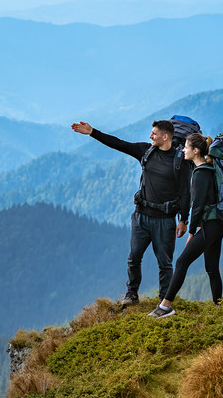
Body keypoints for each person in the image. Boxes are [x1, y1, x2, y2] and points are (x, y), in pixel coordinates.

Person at [71, 120, 190, 305]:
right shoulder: (146, 151)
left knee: (164, 263)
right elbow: (119, 144)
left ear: (165, 137)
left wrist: (183, 219)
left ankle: (164, 301)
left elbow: (185, 192)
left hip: (165, 220)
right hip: (141, 216)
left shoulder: (179, 161)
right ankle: (131, 294)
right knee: (134, 257)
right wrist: (92, 132)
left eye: (154, 134)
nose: (150, 136)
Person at [148, 132, 223, 318]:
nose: (183, 150)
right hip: (217, 223)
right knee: (212, 267)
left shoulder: (200, 173)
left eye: (186, 147)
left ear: (196, 150)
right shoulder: (208, 169)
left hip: (211, 225)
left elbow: (197, 206)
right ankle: (220, 308)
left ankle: (166, 306)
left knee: (182, 261)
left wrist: (191, 232)